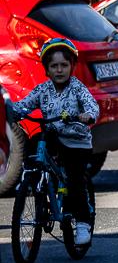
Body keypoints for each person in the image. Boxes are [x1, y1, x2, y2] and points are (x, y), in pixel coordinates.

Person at [9, 39, 100, 245]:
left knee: (75, 182)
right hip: (53, 137)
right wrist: (10, 111)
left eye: (64, 65)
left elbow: (91, 105)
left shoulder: (77, 88)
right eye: (54, 66)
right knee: (34, 142)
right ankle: (32, 180)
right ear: (47, 70)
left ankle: (83, 223)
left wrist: (88, 115)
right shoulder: (43, 90)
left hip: (76, 142)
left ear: (72, 66)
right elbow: (24, 105)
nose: (59, 70)